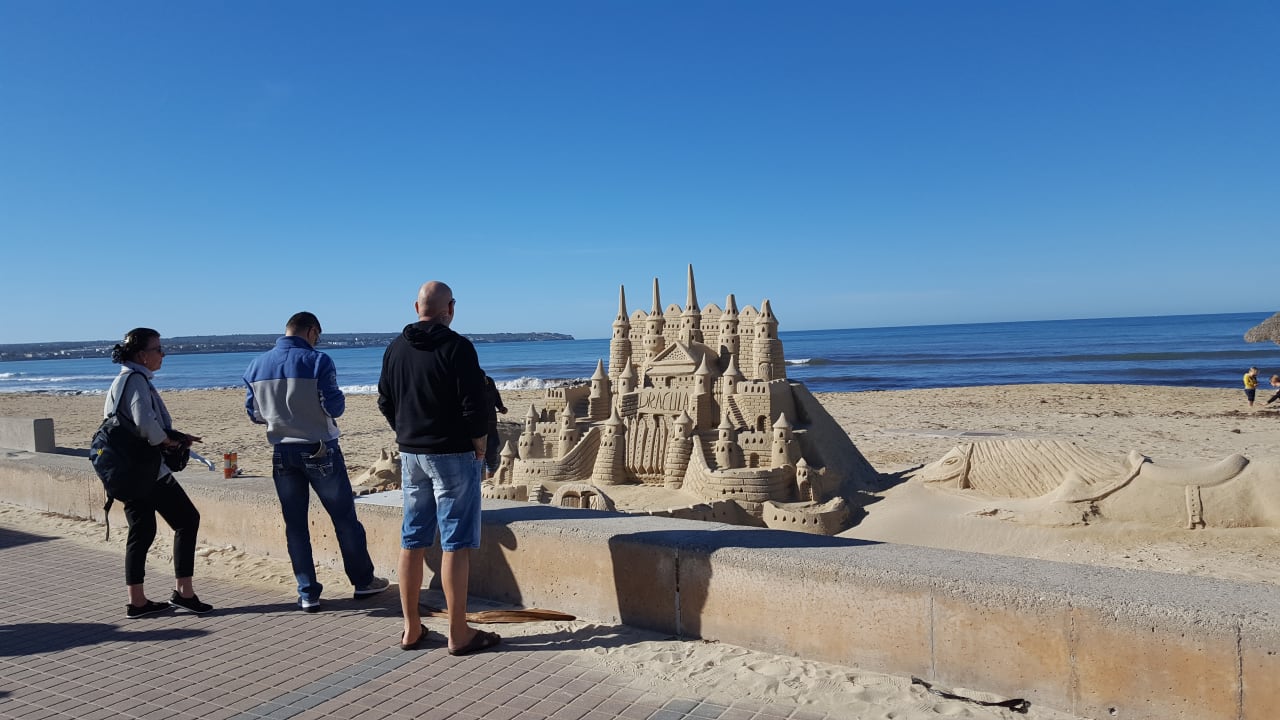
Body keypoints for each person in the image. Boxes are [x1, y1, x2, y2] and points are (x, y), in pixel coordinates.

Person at [377, 281, 501, 655]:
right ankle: (458, 632)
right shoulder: (457, 347)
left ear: (416, 307)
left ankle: (411, 628)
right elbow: (474, 406)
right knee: (456, 543)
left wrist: (407, 431)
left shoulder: (395, 348)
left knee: (412, 539)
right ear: (451, 308)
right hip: (452, 454)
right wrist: (479, 445)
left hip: (412, 454)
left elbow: (385, 400)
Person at [243, 311, 389, 613]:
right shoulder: (318, 361)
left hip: (282, 449)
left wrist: (282, 417)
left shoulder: (257, 365)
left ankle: (307, 591)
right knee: (344, 518)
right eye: (317, 336)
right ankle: (362, 580)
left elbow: (255, 413)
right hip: (319, 447)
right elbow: (333, 403)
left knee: (295, 525)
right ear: (311, 331)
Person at [105, 328, 213, 618]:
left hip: (127, 470)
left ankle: (137, 601)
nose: (162, 354)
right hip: (147, 471)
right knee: (187, 520)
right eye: (158, 349)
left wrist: (173, 435)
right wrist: (169, 441)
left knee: (141, 531)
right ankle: (184, 592)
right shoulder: (137, 380)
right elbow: (145, 425)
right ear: (143, 355)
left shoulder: (122, 380)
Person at [483, 375, 508, 478]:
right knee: (477, 458)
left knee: (492, 455)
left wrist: (501, 407)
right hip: (478, 427)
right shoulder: (470, 383)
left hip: (491, 426)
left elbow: (496, 396)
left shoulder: (489, 381)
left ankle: (488, 482)